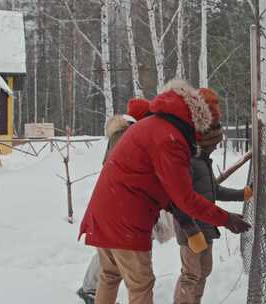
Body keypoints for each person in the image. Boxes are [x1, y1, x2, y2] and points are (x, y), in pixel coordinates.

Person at [78, 79, 251, 304]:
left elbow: (170, 193)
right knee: (141, 283)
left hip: (104, 210)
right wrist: (226, 219)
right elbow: (185, 198)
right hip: (126, 218)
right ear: (199, 123)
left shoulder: (155, 125)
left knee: (110, 276)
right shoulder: (169, 138)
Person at [172, 88, 253, 304]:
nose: (217, 146)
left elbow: (214, 190)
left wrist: (242, 194)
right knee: (190, 274)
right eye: (215, 143)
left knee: (204, 271)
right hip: (191, 229)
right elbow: (178, 200)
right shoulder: (189, 162)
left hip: (207, 225)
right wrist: (191, 231)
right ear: (205, 142)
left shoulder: (204, 163)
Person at [77, 98, 151, 304]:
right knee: (122, 262)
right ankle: (90, 288)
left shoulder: (119, 135)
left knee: (109, 258)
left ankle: (91, 289)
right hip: (122, 204)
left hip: (111, 201)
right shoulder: (129, 136)